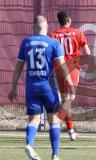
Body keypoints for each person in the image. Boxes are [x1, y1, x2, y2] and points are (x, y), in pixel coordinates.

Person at [8, 15, 74, 160]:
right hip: (48, 87)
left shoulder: (26, 42)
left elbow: (18, 67)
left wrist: (13, 87)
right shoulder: (53, 43)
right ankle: (55, 155)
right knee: (54, 120)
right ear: (47, 27)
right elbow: (62, 66)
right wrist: (70, 83)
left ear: (33, 27)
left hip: (31, 87)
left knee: (34, 120)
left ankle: (30, 145)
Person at [50, 10, 91, 140]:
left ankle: (71, 132)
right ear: (69, 20)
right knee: (70, 98)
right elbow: (87, 52)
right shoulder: (77, 33)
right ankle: (57, 119)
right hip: (72, 67)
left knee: (65, 100)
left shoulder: (52, 35)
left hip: (58, 68)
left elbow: (50, 54)